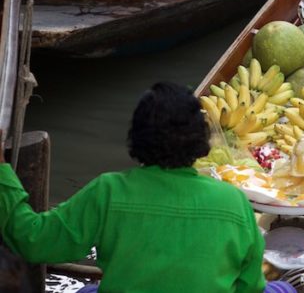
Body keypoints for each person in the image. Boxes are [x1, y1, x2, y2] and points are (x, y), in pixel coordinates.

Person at [0, 82, 270, 292]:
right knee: (281, 288)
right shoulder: (234, 202)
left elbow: (32, 240)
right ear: (200, 140)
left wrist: (3, 172)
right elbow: (251, 286)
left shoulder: (108, 192)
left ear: (137, 137)